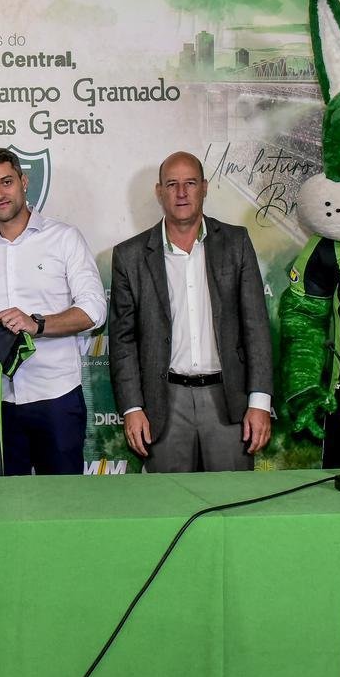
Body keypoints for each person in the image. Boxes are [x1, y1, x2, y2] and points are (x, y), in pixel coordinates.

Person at [108, 151, 273, 472]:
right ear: (159, 192)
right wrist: (132, 408)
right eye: (172, 184)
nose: (181, 193)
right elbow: (123, 342)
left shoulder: (236, 243)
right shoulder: (129, 256)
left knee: (230, 507)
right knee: (170, 509)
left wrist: (260, 402)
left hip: (228, 401)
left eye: (190, 183)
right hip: (163, 404)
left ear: (205, 187)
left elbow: (256, 327)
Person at [0, 148, 106, 475]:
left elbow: (95, 310)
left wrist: (37, 324)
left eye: (6, 182)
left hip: (56, 397)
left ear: (24, 182)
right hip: (2, 402)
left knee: (63, 507)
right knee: (8, 509)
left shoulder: (64, 238)